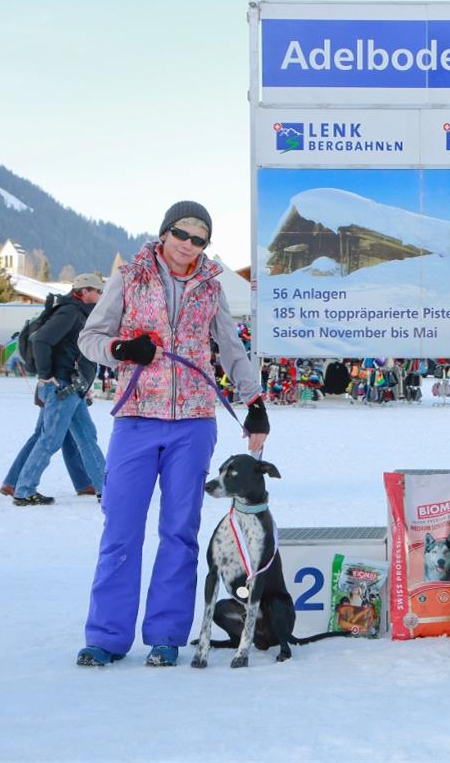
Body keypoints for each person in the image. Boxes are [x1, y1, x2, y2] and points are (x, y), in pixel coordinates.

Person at [76, 200, 269, 668]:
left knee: (179, 532)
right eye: (182, 234)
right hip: (137, 419)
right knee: (120, 528)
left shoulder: (210, 285)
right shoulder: (130, 276)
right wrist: (123, 348)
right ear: (164, 233)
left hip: (194, 423)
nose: (189, 245)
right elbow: (90, 338)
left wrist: (255, 403)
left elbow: (230, 345)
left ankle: (165, 635)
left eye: (199, 239)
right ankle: (106, 636)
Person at [10, 275, 107, 506]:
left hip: (75, 387)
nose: (101, 295)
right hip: (63, 386)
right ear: (84, 291)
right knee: (50, 440)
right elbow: (41, 340)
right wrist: (45, 375)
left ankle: (107, 489)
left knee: (87, 437)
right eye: (98, 291)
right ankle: (23, 491)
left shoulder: (80, 312)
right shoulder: (70, 312)